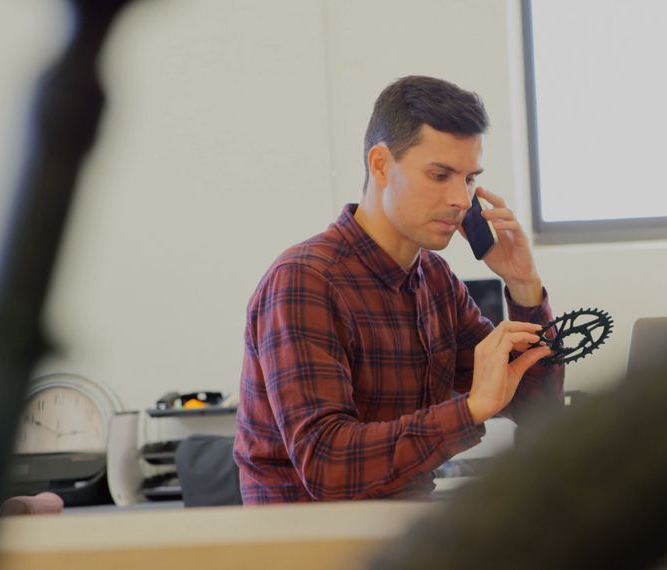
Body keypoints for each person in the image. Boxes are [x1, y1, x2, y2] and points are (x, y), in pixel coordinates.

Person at [233, 76, 565, 503]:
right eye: (440, 174)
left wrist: (523, 284)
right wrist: (468, 410)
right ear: (381, 165)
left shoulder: (436, 281)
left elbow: (537, 408)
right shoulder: (303, 280)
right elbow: (327, 466)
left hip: (401, 537)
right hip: (311, 547)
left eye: (468, 179)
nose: (462, 200)